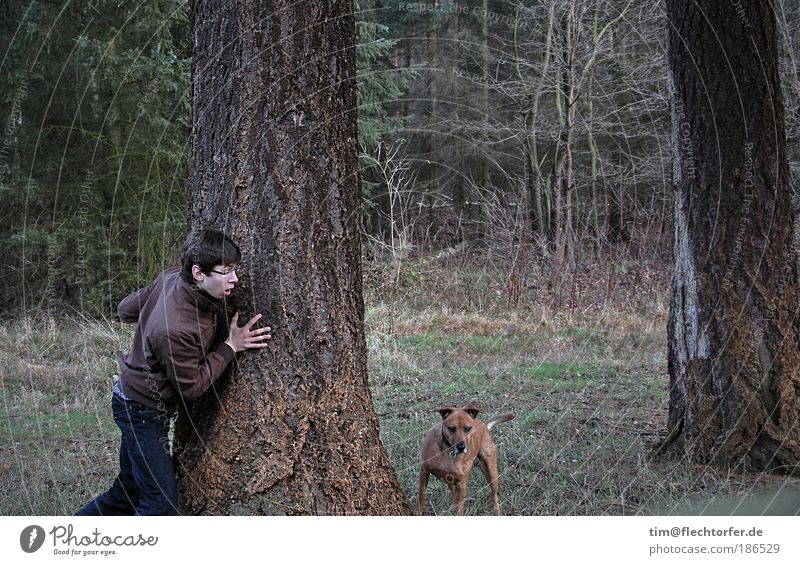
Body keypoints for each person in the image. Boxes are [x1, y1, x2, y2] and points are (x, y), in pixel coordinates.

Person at [76, 229, 271, 515]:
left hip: (131, 399)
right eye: (226, 272)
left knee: (127, 492)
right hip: (142, 412)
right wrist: (230, 345)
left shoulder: (171, 278)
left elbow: (125, 310)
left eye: (234, 270)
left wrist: (153, 311)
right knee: (160, 505)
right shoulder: (177, 328)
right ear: (198, 273)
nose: (235, 279)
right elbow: (192, 387)